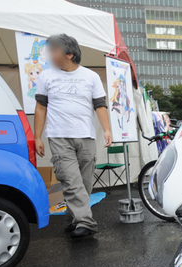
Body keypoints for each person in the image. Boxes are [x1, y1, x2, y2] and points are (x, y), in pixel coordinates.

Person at [34, 34, 112, 238]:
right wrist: (37, 137)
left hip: (86, 136)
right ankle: (86, 222)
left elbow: (100, 105)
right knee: (71, 180)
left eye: (54, 50)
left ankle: (72, 218)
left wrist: (106, 129)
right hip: (59, 136)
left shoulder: (91, 77)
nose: (50, 54)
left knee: (84, 183)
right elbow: (41, 107)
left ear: (69, 54)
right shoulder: (46, 77)